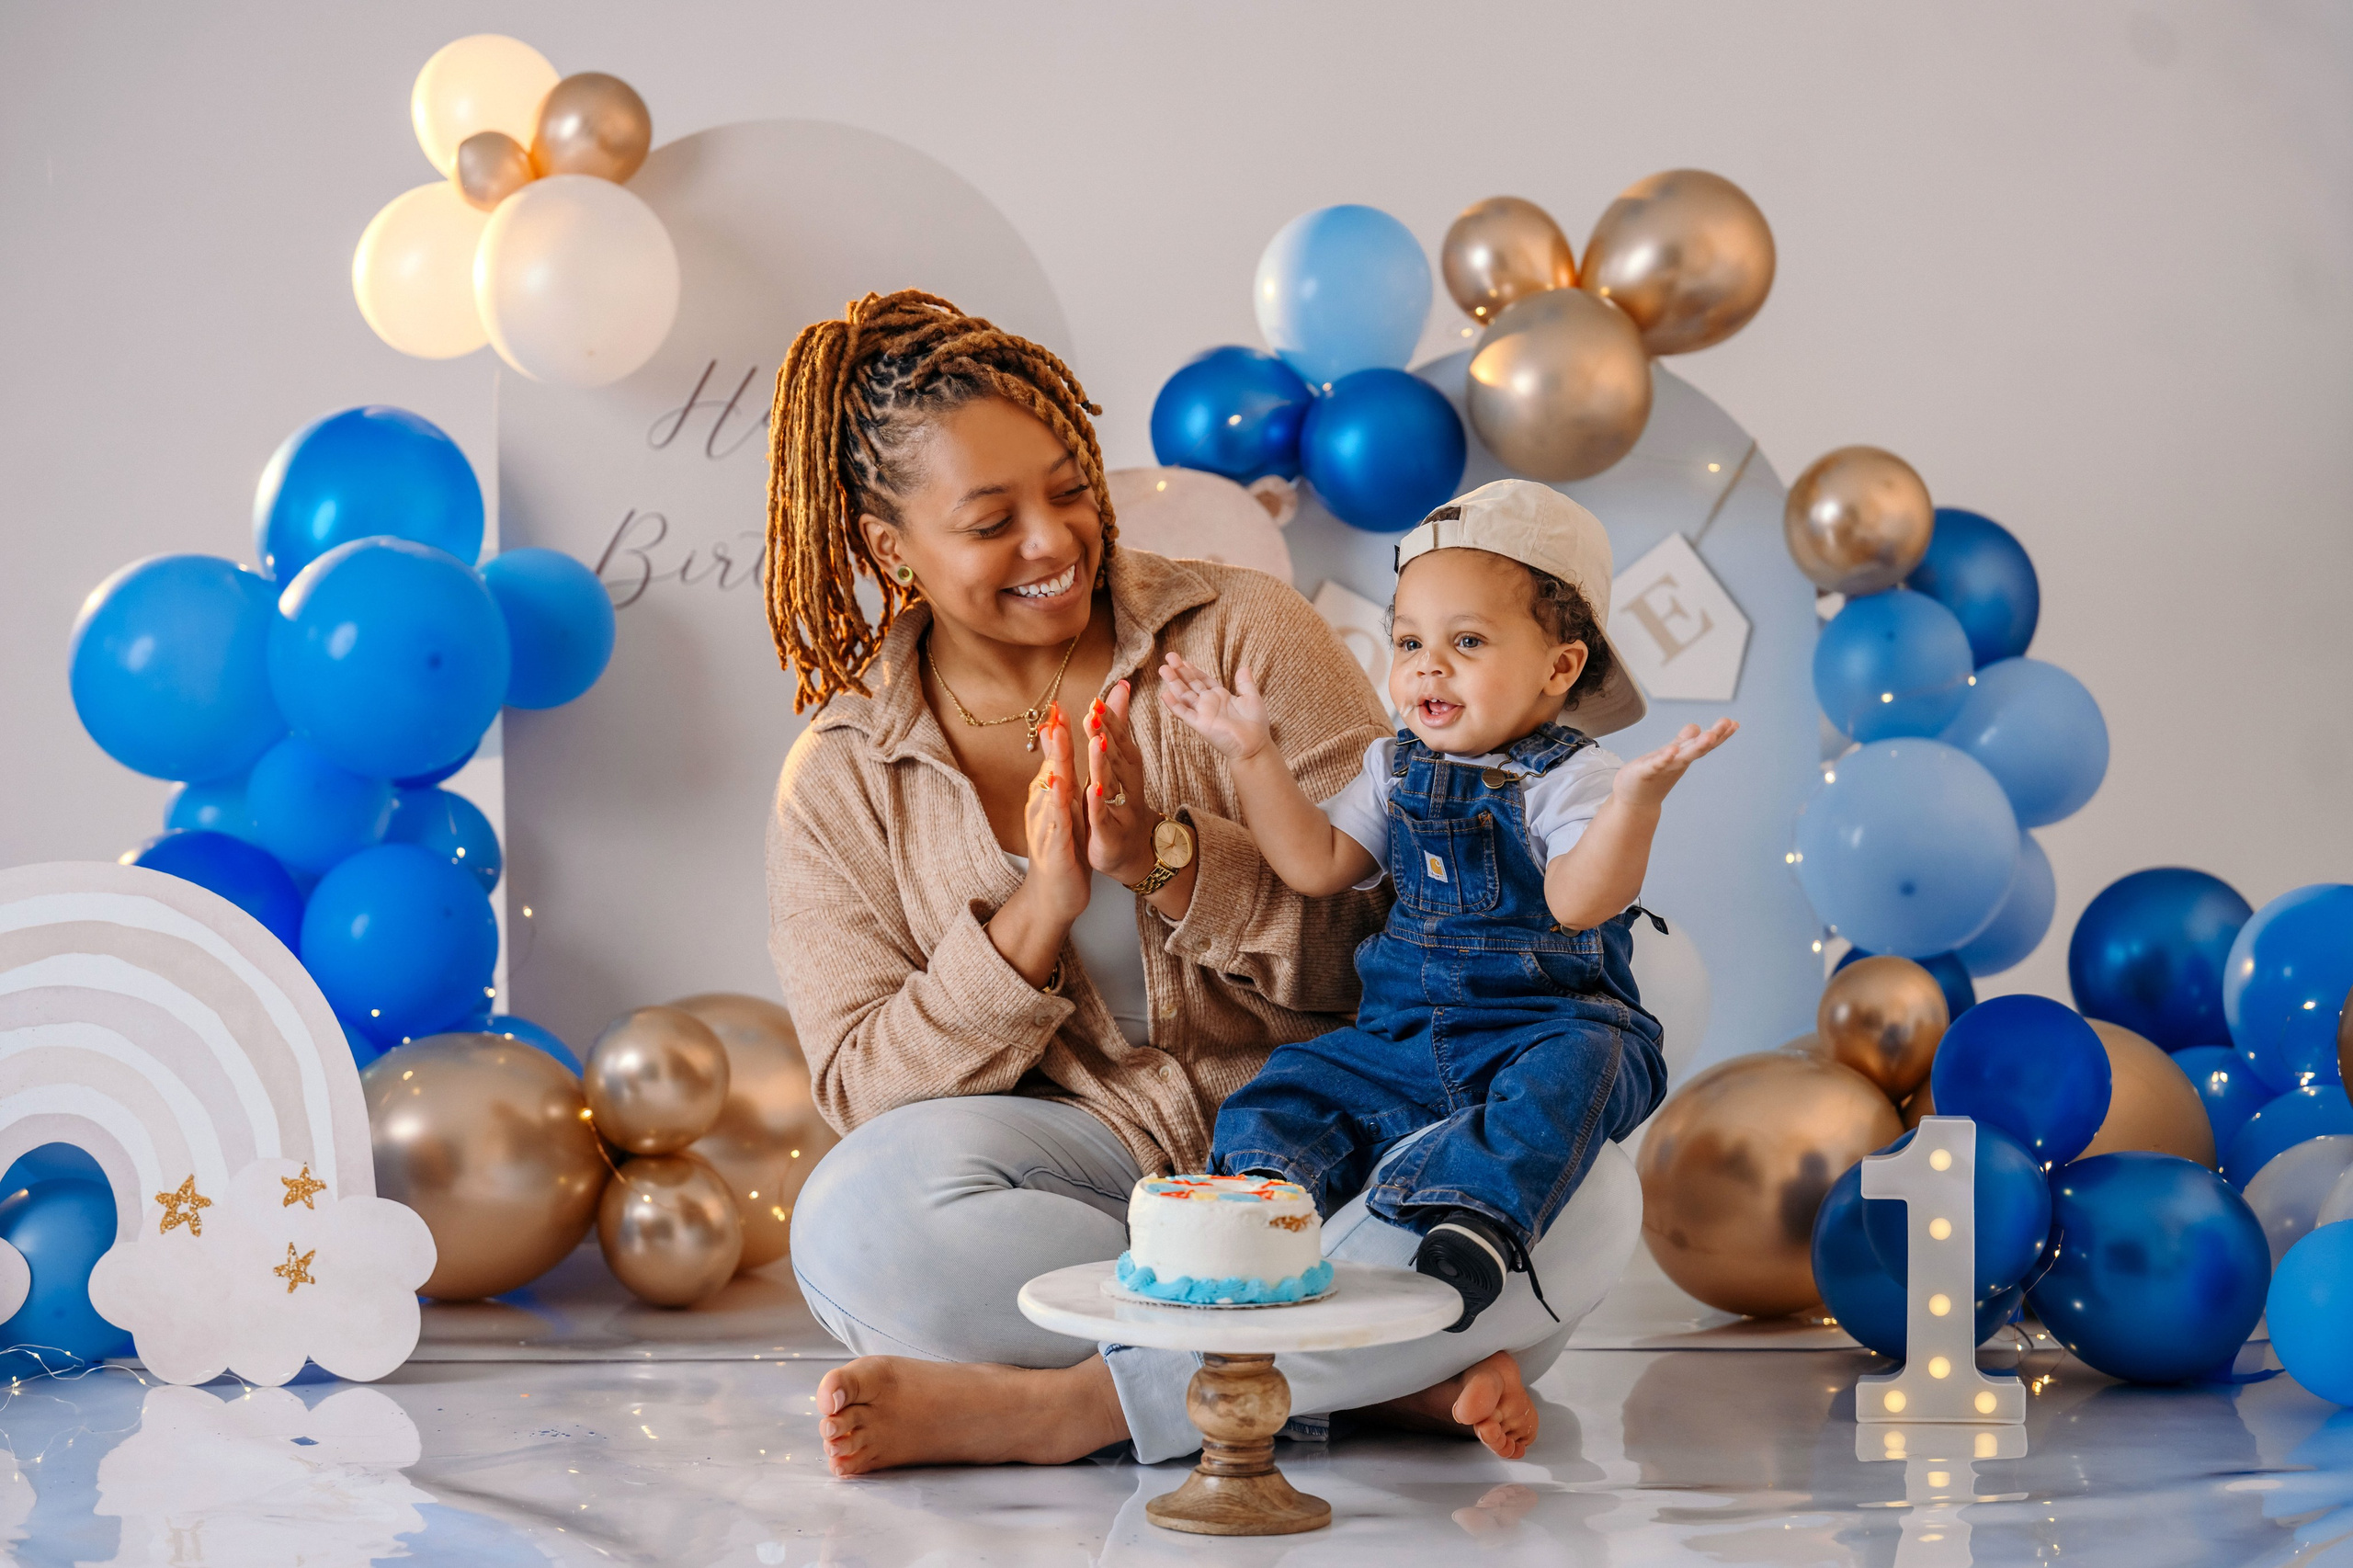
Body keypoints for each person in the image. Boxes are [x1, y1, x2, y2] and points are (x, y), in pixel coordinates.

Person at [764, 290, 1646, 1477]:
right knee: (852, 1221)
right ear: (889, 548)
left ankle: (1078, 1407)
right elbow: (862, 1083)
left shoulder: (1241, 631)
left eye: (1071, 486)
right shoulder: (842, 771)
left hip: (1329, 1149)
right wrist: (1037, 914)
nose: (1055, 540)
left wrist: (1169, 860)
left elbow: (1389, 947)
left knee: (1587, 1195)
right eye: (992, 520)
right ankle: (1363, 1387)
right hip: (1088, 1179)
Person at [1160, 480, 1736, 1332]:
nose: (1429, 665)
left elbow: (1578, 904)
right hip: (1404, 1038)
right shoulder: (1390, 768)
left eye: (1467, 641)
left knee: (1585, 1072)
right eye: (1409, 640)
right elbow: (1314, 865)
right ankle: (1257, 1215)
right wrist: (1252, 754)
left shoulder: (1577, 781)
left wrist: (1637, 806)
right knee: (1288, 1083)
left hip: (1542, 1025)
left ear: (1560, 666)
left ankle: (1474, 1221)